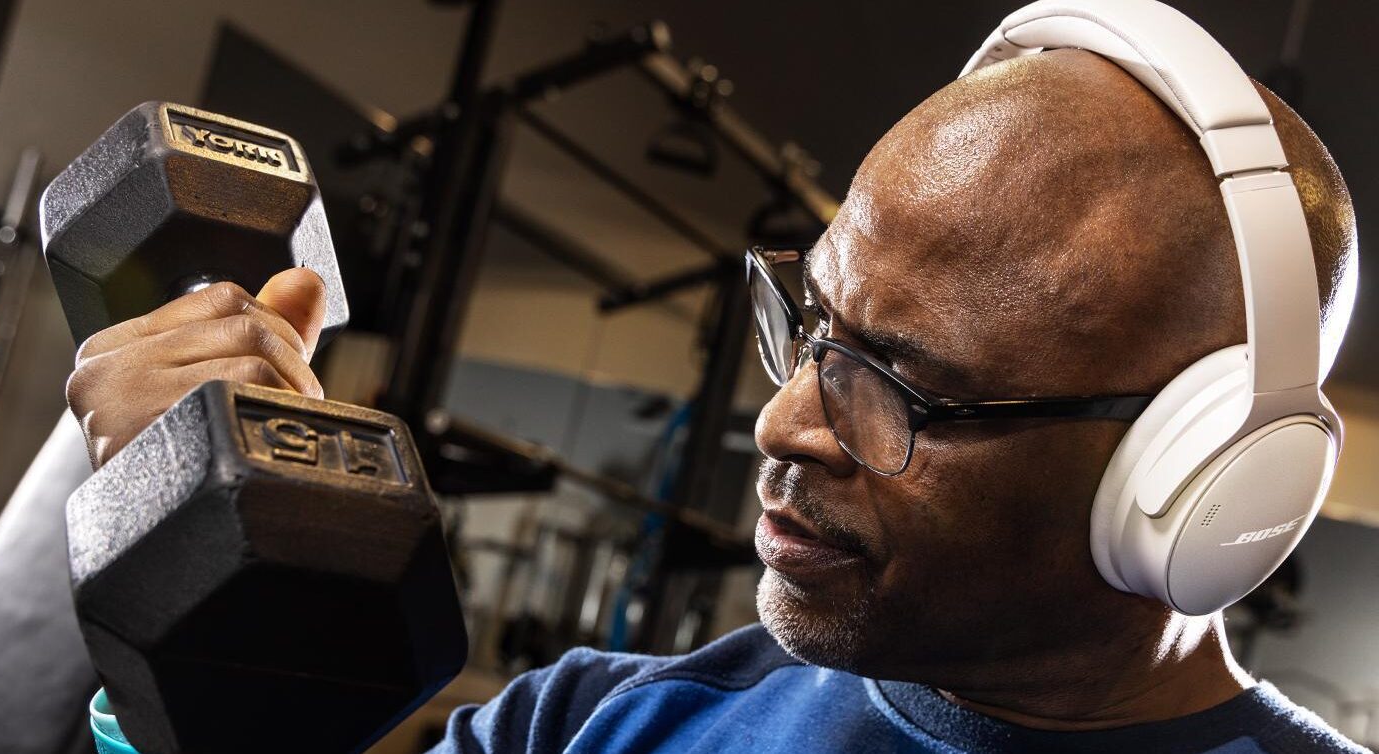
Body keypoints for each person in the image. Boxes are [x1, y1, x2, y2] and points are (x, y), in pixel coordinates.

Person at [68, 19, 1366, 754]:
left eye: (898, 387)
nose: (784, 420)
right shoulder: (596, 725)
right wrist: (206, 613)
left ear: (1195, 480)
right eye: (813, 326)